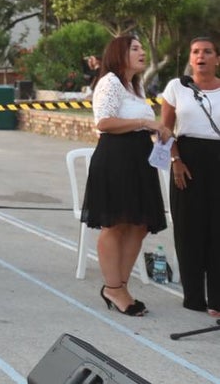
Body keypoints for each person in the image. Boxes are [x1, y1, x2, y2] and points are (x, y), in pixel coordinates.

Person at [81, 36, 171, 317]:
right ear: (119, 54)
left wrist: (155, 131)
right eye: (135, 48)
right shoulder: (109, 82)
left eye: (142, 47)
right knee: (116, 224)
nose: (142, 52)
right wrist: (145, 122)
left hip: (138, 158)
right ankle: (113, 288)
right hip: (116, 158)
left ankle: (120, 284)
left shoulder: (136, 85)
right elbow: (104, 122)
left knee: (139, 224)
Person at [162, 36, 220, 316]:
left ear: (217, 59)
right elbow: (165, 130)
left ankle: (217, 300)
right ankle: (194, 296)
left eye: (208, 52)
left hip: (217, 160)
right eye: (196, 51)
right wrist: (175, 159)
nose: (201, 56)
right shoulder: (177, 87)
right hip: (186, 161)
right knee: (189, 228)